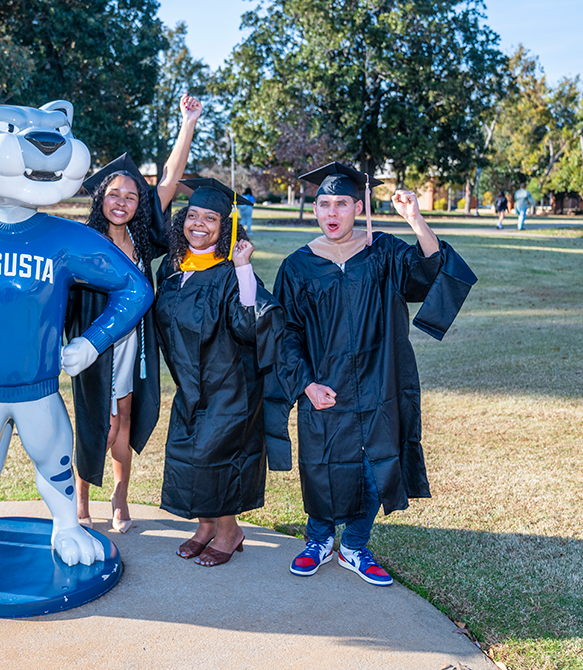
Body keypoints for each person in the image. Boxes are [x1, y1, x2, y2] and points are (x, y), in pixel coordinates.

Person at [265, 161, 476, 586]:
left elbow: (430, 269)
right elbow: (285, 332)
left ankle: (355, 546)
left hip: (382, 380)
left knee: (379, 462)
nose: (332, 212)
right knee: (322, 463)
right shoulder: (298, 265)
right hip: (325, 384)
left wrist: (415, 219)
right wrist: (305, 384)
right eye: (324, 203)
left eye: (341, 203)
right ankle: (319, 539)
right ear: (316, 207)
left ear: (358, 206)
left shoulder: (383, 250)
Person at [66, 94, 202, 533]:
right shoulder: (82, 242)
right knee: (92, 425)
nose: (122, 201)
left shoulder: (144, 243)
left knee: (124, 418)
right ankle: (81, 497)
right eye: (113, 194)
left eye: (130, 196)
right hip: (92, 347)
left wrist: (188, 122)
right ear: (100, 198)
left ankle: (120, 498)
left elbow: (170, 177)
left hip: (136, 347)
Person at [153, 178, 282, 567]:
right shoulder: (171, 270)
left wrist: (243, 268)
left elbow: (250, 325)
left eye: (211, 218)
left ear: (226, 226)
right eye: (192, 215)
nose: (199, 224)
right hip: (191, 384)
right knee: (187, 454)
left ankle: (230, 531)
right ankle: (206, 526)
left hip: (230, 385)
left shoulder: (231, 272)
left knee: (216, 456)